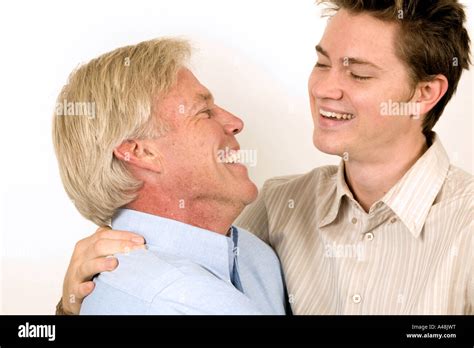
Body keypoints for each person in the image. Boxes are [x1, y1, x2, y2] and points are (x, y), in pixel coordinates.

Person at [57, 0, 472, 315]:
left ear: (424, 94)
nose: (326, 88)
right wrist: (73, 304)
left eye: (359, 74)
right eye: (322, 63)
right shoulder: (275, 208)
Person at [52, 38, 286, 315]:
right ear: (141, 152)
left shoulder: (257, 256)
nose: (236, 123)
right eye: (205, 112)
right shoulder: (176, 301)